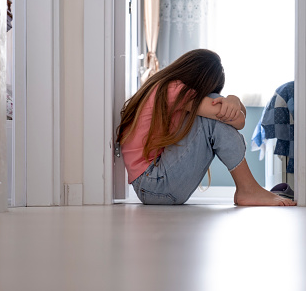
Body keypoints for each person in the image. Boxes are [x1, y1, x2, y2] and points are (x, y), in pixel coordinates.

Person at [116, 49, 296, 206]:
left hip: (151, 186)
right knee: (212, 117)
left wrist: (234, 100)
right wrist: (232, 100)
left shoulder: (165, 86)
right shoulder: (175, 90)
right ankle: (248, 189)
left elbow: (236, 119)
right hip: (155, 184)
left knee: (212, 112)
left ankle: (249, 189)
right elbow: (238, 121)